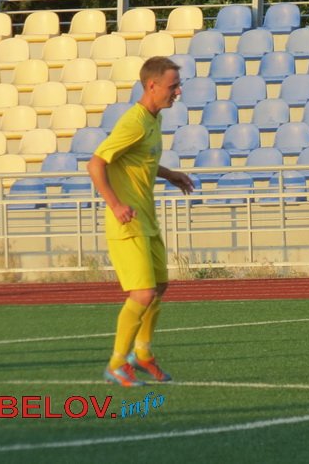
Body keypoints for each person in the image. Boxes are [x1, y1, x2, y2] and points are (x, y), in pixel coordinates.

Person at [87, 56, 194, 387]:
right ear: (152, 85)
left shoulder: (153, 119)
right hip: (127, 222)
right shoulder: (133, 122)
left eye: (178, 85)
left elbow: (140, 159)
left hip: (146, 218)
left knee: (159, 287)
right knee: (143, 293)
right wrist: (116, 205)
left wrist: (170, 174)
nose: (178, 91)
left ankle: (143, 354)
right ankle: (116, 364)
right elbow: (95, 164)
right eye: (173, 85)